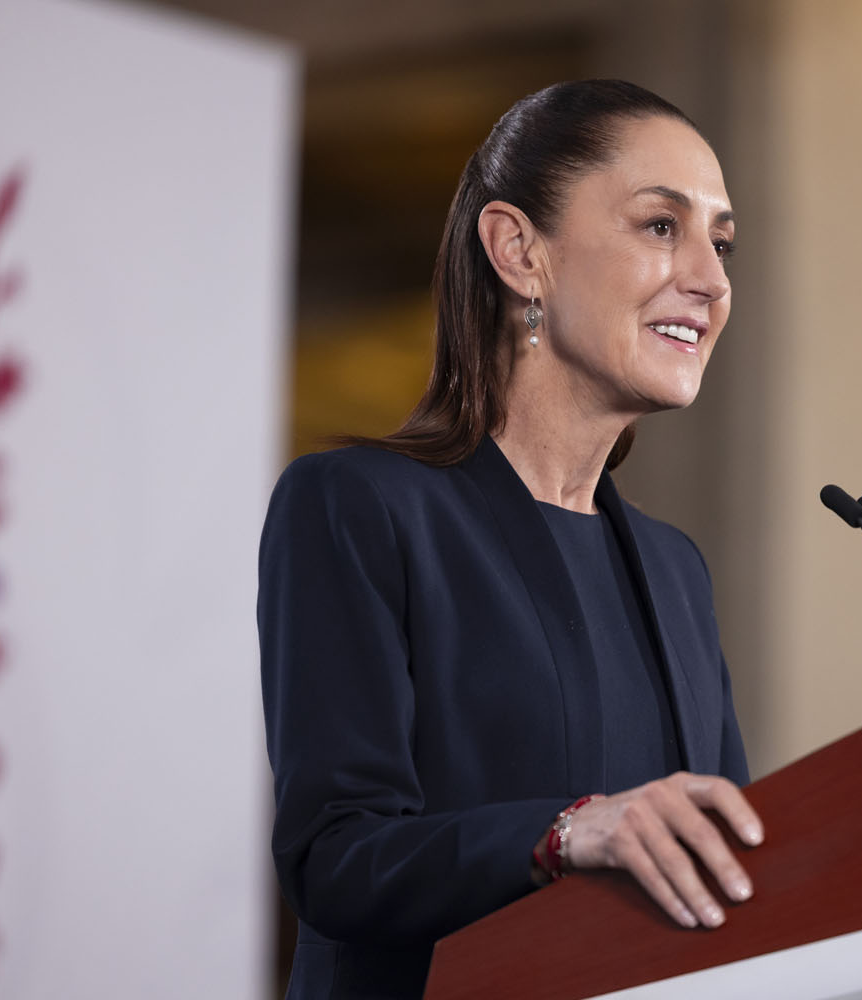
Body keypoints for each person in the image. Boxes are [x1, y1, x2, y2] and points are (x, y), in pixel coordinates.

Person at [257, 79, 764, 999]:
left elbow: (720, 871)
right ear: (519, 252)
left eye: (721, 243)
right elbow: (335, 860)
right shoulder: (356, 507)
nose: (712, 279)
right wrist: (568, 833)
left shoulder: (676, 571)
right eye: (662, 226)